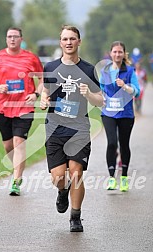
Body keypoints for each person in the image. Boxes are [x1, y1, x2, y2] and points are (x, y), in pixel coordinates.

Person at [40, 25, 103, 232]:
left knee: (76, 172)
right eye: (65, 39)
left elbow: (100, 100)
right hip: (55, 129)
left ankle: (75, 217)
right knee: (59, 177)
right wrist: (43, 98)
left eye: (72, 39)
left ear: (79, 42)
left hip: (79, 129)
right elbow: (45, 89)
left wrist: (88, 95)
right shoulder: (50, 66)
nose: (69, 42)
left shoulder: (88, 69)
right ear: (61, 42)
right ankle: (62, 190)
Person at [0, 27, 43, 196]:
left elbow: (42, 77)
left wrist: (36, 94)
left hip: (24, 107)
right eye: (9, 37)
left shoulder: (30, 58)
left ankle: (16, 180)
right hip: (3, 107)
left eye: (15, 37)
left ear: (21, 39)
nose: (12, 39)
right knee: (8, 145)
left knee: (19, 142)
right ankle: (16, 168)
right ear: (6, 39)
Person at [99, 41, 140, 192]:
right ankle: (111, 178)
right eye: (115, 52)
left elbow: (136, 91)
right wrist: (101, 98)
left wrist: (125, 86)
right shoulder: (105, 71)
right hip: (109, 113)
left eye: (120, 52)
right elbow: (101, 89)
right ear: (110, 54)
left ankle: (124, 177)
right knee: (111, 143)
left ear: (124, 54)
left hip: (125, 114)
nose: (117, 54)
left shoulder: (129, 71)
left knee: (124, 144)